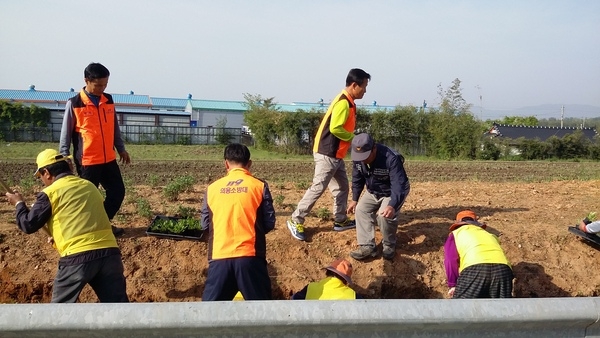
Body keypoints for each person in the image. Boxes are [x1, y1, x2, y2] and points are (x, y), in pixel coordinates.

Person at [4, 149, 129, 303]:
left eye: (41, 176)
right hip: (111, 255)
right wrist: (57, 237)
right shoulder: (89, 186)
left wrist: (18, 203)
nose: (43, 180)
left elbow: (28, 224)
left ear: (47, 172)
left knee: (59, 312)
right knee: (119, 309)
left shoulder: (50, 193)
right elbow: (84, 219)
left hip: (78, 259)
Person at [287, 68, 371, 241]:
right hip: (328, 152)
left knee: (342, 187)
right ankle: (296, 219)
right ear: (354, 85)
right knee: (318, 187)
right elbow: (335, 128)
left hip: (335, 154)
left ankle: (340, 220)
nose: (365, 90)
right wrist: (354, 139)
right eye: (364, 86)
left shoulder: (347, 101)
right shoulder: (343, 102)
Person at [59, 62, 131, 236]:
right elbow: (65, 133)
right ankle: (86, 230)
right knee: (90, 199)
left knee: (118, 192)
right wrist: (64, 156)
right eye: (98, 85)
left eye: (105, 85)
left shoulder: (108, 100)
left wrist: (121, 148)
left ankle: (101, 224)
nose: (102, 88)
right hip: (87, 161)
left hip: (108, 158)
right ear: (87, 81)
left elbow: (114, 127)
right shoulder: (75, 103)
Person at [200, 143, 276, 301]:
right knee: (263, 314)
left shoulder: (212, 188)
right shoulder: (259, 186)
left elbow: (205, 225)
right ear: (249, 164)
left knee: (208, 316)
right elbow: (269, 223)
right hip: (251, 258)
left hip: (219, 258)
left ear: (226, 164)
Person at [346, 133, 411, 261]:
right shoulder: (358, 158)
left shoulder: (391, 158)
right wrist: (354, 199)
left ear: (374, 148)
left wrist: (392, 205)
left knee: (383, 215)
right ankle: (367, 246)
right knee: (360, 210)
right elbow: (357, 178)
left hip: (392, 191)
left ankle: (389, 245)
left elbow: (399, 185)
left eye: (365, 156)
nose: (362, 159)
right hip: (373, 191)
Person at [444, 210, 513, 298]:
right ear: (476, 223)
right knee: (500, 309)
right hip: (503, 270)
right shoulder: (490, 235)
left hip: (475, 269)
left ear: (458, 224)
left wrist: (453, 283)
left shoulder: (455, 234)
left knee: (461, 308)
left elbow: (450, 260)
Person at [291, 258, 360, 300]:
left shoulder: (311, 287)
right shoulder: (352, 295)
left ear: (328, 272)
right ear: (345, 280)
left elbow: (294, 301)